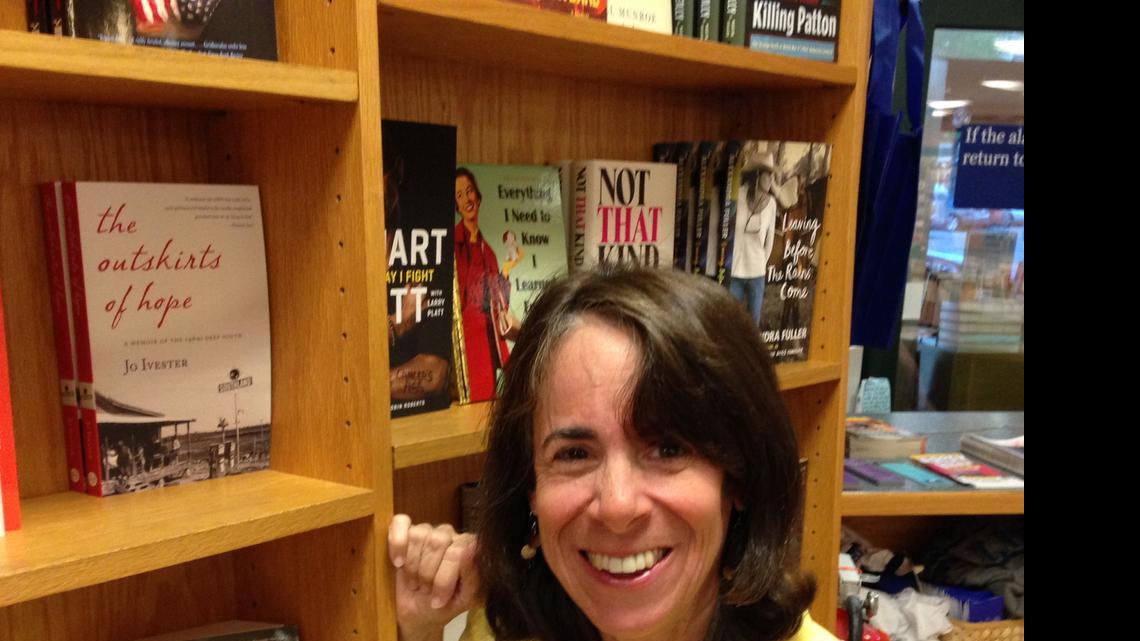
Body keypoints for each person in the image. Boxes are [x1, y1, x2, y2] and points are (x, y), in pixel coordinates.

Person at [389, 265, 836, 641]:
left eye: (667, 449)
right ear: (529, 485)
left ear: (739, 476)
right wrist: (421, 629)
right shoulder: (501, 629)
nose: (618, 506)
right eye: (574, 455)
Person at [455, 167, 512, 401]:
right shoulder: (452, 243)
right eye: (459, 195)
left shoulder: (488, 251)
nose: (467, 199)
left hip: (487, 342)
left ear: (477, 196)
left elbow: (501, 305)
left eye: (469, 191)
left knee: (486, 406)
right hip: (464, 343)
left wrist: (505, 277)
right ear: (456, 206)